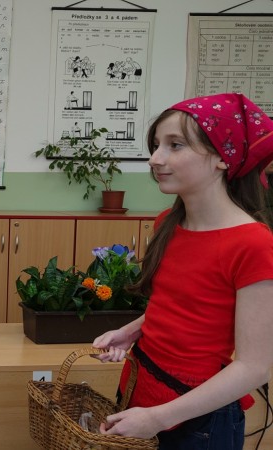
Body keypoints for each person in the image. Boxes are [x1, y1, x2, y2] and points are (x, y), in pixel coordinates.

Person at [92, 92, 273, 449]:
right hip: (142, 389)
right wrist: (131, 331)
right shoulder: (168, 223)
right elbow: (180, 305)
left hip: (196, 419)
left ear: (222, 157)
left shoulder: (253, 244)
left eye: (175, 145)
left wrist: (158, 417)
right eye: (156, 145)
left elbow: (253, 368)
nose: (155, 158)